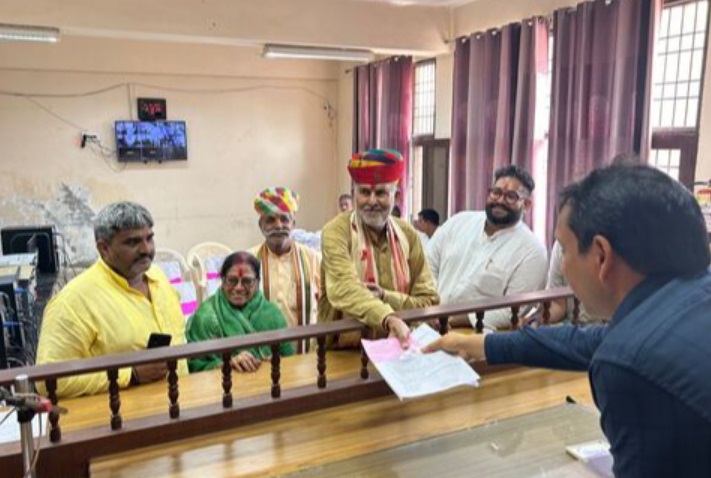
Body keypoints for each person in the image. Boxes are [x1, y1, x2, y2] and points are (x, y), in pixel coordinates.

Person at [424, 164, 711, 477]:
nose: (561, 264)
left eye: (564, 249)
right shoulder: (686, 298)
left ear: (601, 256)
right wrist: (483, 345)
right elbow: (587, 341)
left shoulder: (626, 367)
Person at [36, 202, 188, 398]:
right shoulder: (73, 301)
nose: (146, 249)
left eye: (149, 238)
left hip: (183, 404)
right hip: (125, 414)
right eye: (132, 242)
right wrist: (131, 374)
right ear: (104, 248)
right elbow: (47, 380)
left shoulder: (159, 278)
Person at [319, 149, 440, 349]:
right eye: (365, 192)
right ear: (354, 194)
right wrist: (388, 318)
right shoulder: (337, 232)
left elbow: (428, 300)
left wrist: (385, 296)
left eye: (381, 193)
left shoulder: (408, 234)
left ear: (396, 196)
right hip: (344, 353)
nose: (372, 201)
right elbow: (344, 289)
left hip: (400, 350)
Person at [425, 165, 547, 330]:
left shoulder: (532, 251)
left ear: (526, 204)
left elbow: (513, 310)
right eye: (496, 192)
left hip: (474, 334)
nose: (500, 201)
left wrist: (457, 319)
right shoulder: (459, 222)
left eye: (511, 196)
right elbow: (427, 265)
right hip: (428, 321)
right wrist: (431, 306)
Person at [186, 252, 294, 373]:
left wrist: (276, 361)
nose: (238, 288)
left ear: (258, 282)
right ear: (222, 280)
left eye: (247, 281)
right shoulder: (205, 317)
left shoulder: (272, 314)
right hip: (223, 383)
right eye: (232, 280)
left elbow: (290, 360)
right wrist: (227, 364)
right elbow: (194, 366)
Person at [250, 187, 320, 353]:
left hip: (305, 354)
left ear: (293, 224)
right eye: (270, 220)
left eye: (284, 219)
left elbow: (328, 305)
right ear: (261, 225)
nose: (278, 225)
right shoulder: (249, 261)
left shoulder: (313, 259)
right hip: (261, 356)